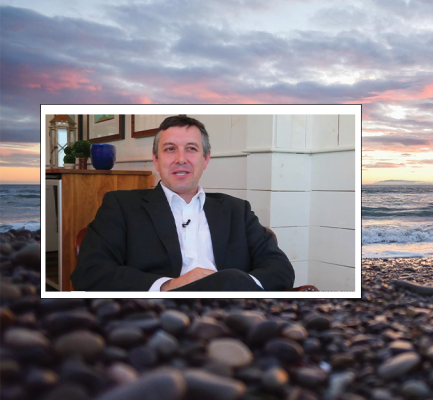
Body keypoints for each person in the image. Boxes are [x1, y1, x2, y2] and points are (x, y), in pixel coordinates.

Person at [71, 116, 294, 291]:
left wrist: (237, 286)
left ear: (206, 159)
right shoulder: (121, 206)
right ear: (156, 160)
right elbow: (90, 272)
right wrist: (169, 285)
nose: (181, 158)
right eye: (170, 149)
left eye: (191, 148)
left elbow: (280, 268)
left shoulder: (237, 210)